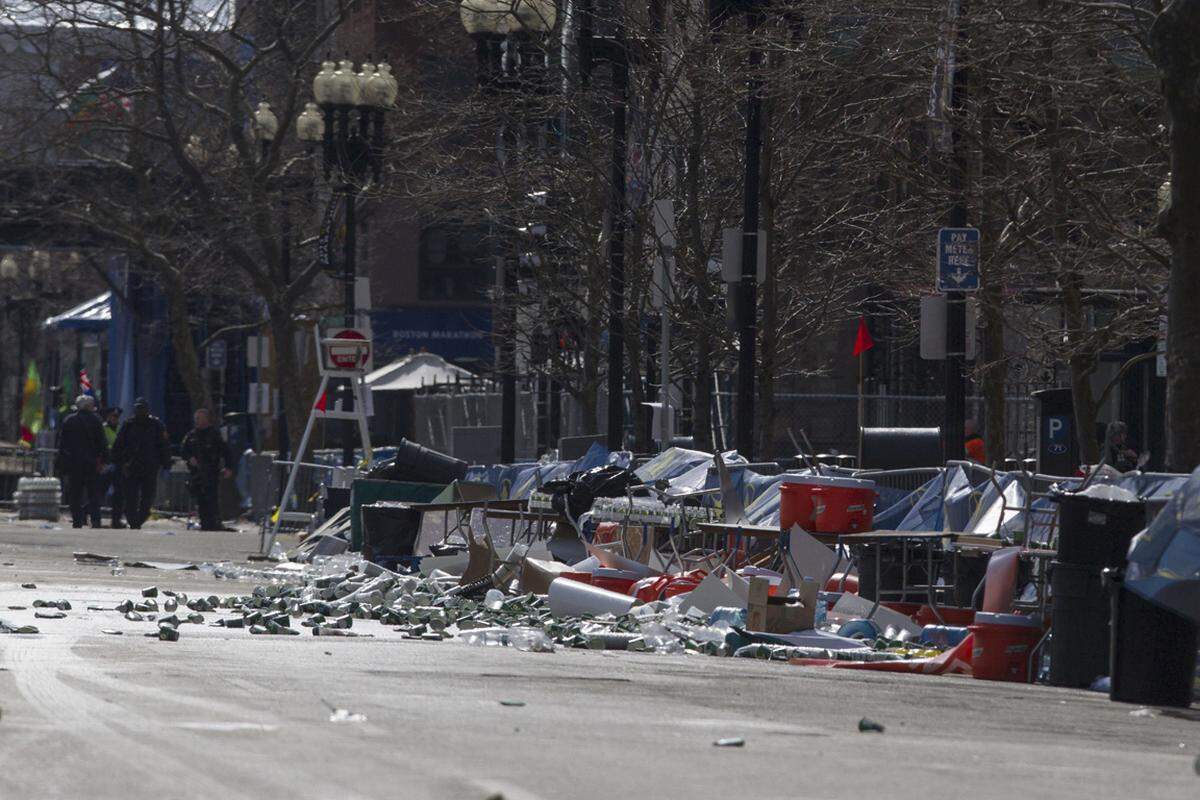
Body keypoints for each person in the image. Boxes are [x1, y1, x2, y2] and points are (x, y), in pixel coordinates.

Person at [111, 398, 172, 530]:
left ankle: (139, 519)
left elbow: (164, 445)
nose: (140, 411)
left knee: (147, 497)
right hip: (131, 466)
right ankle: (133, 521)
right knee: (131, 496)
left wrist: (166, 464)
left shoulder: (156, 425)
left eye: (142, 408)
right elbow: (119, 444)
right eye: (138, 408)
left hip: (150, 466)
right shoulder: (129, 424)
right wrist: (118, 461)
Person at [55, 395, 108, 529]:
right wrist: (104, 461)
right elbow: (102, 443)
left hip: (74, 464)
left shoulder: (69, 420)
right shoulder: (96, 420)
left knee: (75, 494)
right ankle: (96, 521)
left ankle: (77, 521)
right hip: (91, 463)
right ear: (89, 406)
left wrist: (61, 464)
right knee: (93, 494)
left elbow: (62, 444)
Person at [181, 408, 234, 531]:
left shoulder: (214, 435)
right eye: (196, 418)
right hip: (196, 473)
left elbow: (226, 452)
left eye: (199, 418)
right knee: (200, 499)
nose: (197, 421)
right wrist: (190, 458)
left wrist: (228, 467)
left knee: (211, 498)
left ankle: (214, 522)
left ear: (206, 419)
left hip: (211, 471)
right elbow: (183, 450)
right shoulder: (191, 435)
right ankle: (205, 523)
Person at [101, 407, 125, 528]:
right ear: (108, 417)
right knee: (99, 491)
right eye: (113, 416)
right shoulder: (102, 428)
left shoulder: (122, 429)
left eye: (116, 417)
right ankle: (87, 514)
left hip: (118, 464)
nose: (115, 419)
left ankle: (116, 520)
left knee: (119, 494)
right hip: (105, 464)